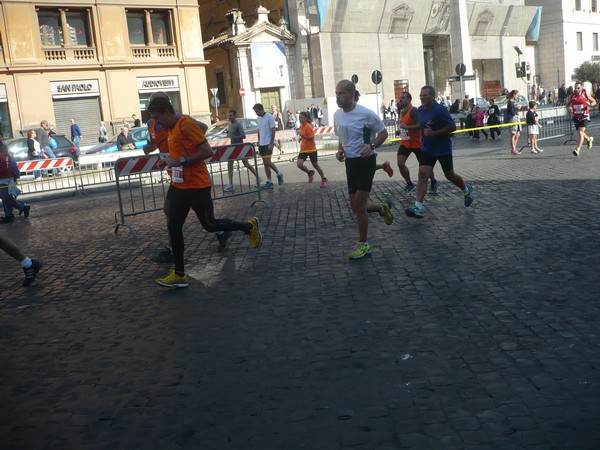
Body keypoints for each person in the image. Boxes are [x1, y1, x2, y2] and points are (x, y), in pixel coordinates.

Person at [147, 96, 262, 288]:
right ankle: (180, 275)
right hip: (179, 185)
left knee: (210, 225)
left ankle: (249, 227)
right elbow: (179, 153)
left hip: (197, 185)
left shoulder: (185, 124)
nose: (156, 122)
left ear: (167, 111)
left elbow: (208, 151)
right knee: (173, 227)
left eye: (158, 117)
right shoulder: (169, 128)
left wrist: (181, 161)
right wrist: (167, 161)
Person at [142, 91, 224, 262]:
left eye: (157, 104)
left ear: (166, 107)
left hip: (187, 170)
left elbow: (201, 129)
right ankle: (177, 250)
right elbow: (157, 141)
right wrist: (151, 147)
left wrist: (186, 151)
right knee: (177, 212)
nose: (153, 113)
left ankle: (174, 251)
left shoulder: (182, 120)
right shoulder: (152, 122)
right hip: (175, 172)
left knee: (175, 211)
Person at [333, 79, 393, 260]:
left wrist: (372, 145)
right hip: (350, 163)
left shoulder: (366, 114)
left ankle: (364, 244)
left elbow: (383, 132)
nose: (338, 97)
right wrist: (340, 150)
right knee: (355, 207)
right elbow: (341, 137)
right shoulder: (337, 114)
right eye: (337, 93)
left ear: (352, 94)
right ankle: (382, 209)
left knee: (359, 206)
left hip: (366, 162)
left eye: (342, 93)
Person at [405, 85, 473, 220]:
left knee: (450, 175)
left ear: (433, 96)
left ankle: (466, 189)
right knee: (423, 175)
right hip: (427, 148)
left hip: (442, 149)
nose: (422, 97)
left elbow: (453, 127)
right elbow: (421, 124)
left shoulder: (440, 110)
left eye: (425, 95)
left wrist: (434, 133)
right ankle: (418, 207)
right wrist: (408, 129)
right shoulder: (420, 110)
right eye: (421, 95)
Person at [395, 91, 437, 195]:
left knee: (424, 166)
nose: (400, 99)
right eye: (400, 97)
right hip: (405, 143)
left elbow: (420, 125)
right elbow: (404, 126)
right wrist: (400, 131)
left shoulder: (413, 111)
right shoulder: (401, 111)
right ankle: (409, 183)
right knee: (400, 163)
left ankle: (433, 181)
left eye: (403, 98)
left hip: (418, 143)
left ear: (409, 99)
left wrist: (407, 127)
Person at [223, 109, 259, 193]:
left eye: (231, 115)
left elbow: (243, 136)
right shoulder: (229, 124)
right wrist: (228, 135)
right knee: (230, 165)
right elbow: (229, 134)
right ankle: (231, 184)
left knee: (246, 164)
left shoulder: (238, 124)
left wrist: (233, 136)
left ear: (235, 116)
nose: (229, 117)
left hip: (239, 147)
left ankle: (258, 177)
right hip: (232, 147)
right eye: (229, 115)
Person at [253, 103, 284, 189]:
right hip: (262, 143)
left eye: (257, 111)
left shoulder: (269, 117)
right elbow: (259, 131)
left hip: (268, 142)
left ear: (261, 109)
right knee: (265, 163)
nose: (256, 113)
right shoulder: (258, 119)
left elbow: (273, 130)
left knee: (268, 161)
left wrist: (271, 143)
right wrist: (259, 143)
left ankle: (279, 173)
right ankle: (269, 180)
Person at [296, 111, 328, 188]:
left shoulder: (308, 126)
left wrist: (302, 135)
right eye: (299, 117)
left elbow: (311, 137)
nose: (299, 119)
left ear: (306, 118)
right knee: (299, 164)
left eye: (301, 117)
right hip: (303, 149)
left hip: (311, 149)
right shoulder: (301, 126)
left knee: (315, 165)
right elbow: (303, 136)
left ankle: (323, 178)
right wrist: (301, 138)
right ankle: (309, 173)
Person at [0, 141, 30, 223]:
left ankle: (22, 207)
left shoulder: (4, 156)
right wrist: (17, 175)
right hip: (8, 178)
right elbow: (13, 166)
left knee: (6, 198)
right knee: (6, 197)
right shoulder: (8, 156)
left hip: (4, 179)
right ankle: (9, 214)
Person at [567, 81, 596, 157]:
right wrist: (569, 108)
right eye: (575, 88)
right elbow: (567, 104)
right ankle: (589, 139)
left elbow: (594, 101)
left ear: (582, 87)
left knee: (580, 132)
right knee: (581, 133)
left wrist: (590, 104)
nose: (576, 89)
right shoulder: (572, 96)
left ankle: (577, 149)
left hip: (584, 115)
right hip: (576, 116)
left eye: (578, 88)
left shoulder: (585, 94)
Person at [506, 90, 522, 155]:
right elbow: (512, 112)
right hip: (513, 119)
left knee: (518, 134)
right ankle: (513, 149)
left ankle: (514, 148)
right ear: (514, 95)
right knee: (513, 134)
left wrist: (516, 108)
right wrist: (517, 108)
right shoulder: (510, 102)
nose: (517, 96)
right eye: (517, 95)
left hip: (516, 118)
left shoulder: (512, 102)